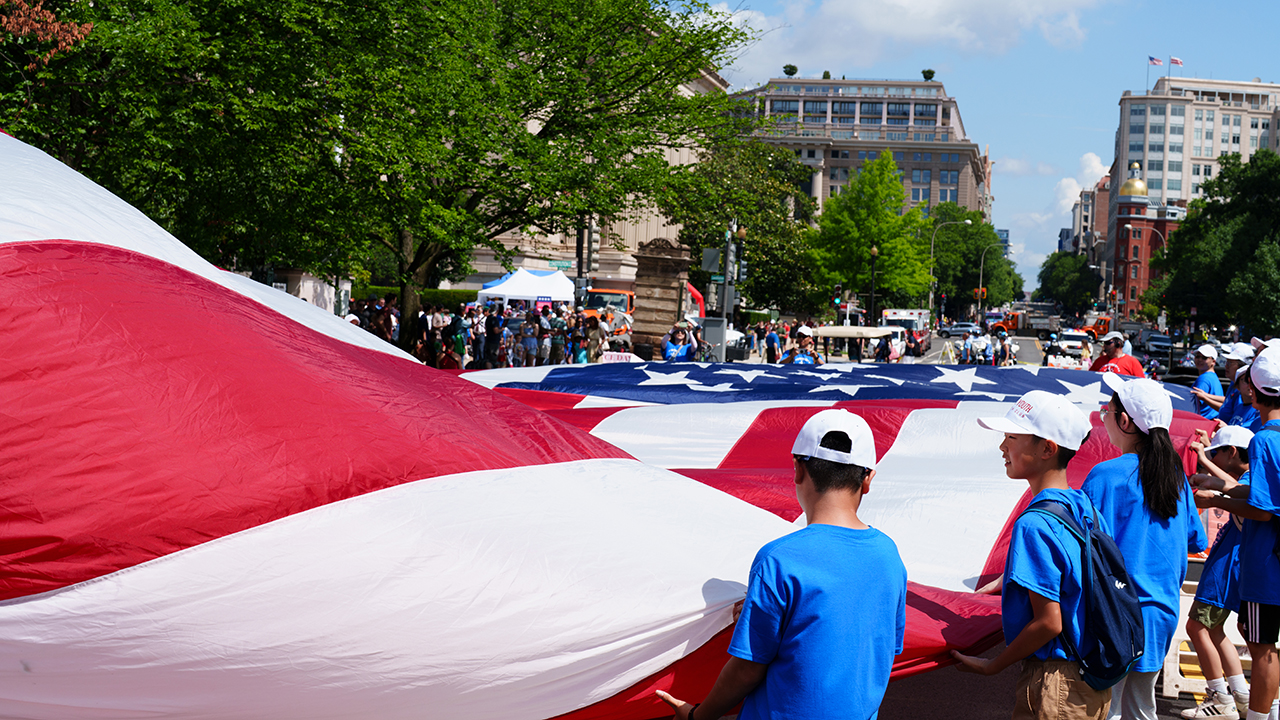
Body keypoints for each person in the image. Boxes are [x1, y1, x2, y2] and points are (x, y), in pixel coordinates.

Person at [656, 410, 907, 720]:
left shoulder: (779, 559)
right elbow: (872, 646)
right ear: (867, 479)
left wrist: (698, 716)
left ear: (798, 470)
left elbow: (748, 670)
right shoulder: (888, 554)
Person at [953, 390, 1111, 719]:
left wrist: (992, 665)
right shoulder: (1084, 506)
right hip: (1089, 676)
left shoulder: (1034, 524)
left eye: (1011, 437)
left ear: (1046, 449)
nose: (1002, 447)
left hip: (1057, 683)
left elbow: (1049, 623)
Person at [1083, 373, 1207, 720]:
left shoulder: (1104, 476)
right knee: (1141, 709)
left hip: (1114, 616)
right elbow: (1196, 539)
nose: (1104, 415)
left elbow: (1083, 542)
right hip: (1160, 616)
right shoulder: (1177, 479)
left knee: (1106, 710)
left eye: (1107, 409)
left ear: (1124, 420)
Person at [1193, 344, 1280, 720]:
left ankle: (1260, 715)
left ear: (1253, 390)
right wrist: (1227, 489)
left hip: (1266, 561)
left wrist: (1217, 500)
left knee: (1262, 647)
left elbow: (1262, 510)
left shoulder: (1265, 438)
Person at [1182, 425, 1254, 720]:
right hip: (1230, 563)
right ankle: (1241, 695)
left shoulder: (1251, 482)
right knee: (1213, 629)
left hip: (1227, 567)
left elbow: (1238, 489)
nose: (1210, 460)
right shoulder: (1250, 479)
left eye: (1217, 454)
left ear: (1232, 453)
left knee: (1196, 627)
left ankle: (1220, 696)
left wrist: (1205, 462)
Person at [1192, 345, 1226, 420]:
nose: (1200, 360)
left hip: (1202, 421)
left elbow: (1192, 404)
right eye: (1197, 356)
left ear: (1213, 361)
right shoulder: (1213, 377)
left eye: (1204, 358)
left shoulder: (1204, 379)